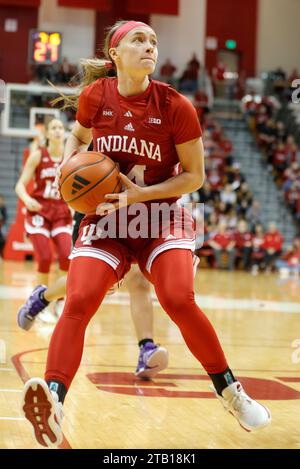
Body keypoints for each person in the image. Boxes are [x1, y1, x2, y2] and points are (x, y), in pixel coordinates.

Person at [21, 20, 271, 448]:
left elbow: (194, 177)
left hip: (158, 217)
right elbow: (78, 136)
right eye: (139, 39)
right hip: (109, 219)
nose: (149, 46)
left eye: (154, 41)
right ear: (115, 53)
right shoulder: (96, 96)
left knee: (177, 298)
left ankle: (231, 392)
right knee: (79, 300)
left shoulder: (176, 105)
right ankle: (55, 401)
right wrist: (68, 169)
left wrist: (142, 194)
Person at [17, 208, 169, 379]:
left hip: (133, 212)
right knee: (87, 283)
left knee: (139, 280)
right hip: (94, 213)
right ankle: (42, 297)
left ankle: (146, 349)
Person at [15, 119, 73, 321]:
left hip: (61, 213)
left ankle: (60, 301)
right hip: (39, 212)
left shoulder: (70, 157)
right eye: (54, 128)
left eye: (60, 128)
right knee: (46, 257)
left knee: (67, 256)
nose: (58, 131)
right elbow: (20, 185)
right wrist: (28, 199)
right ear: (47, 133)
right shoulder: (38, 155)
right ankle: (38, 304)